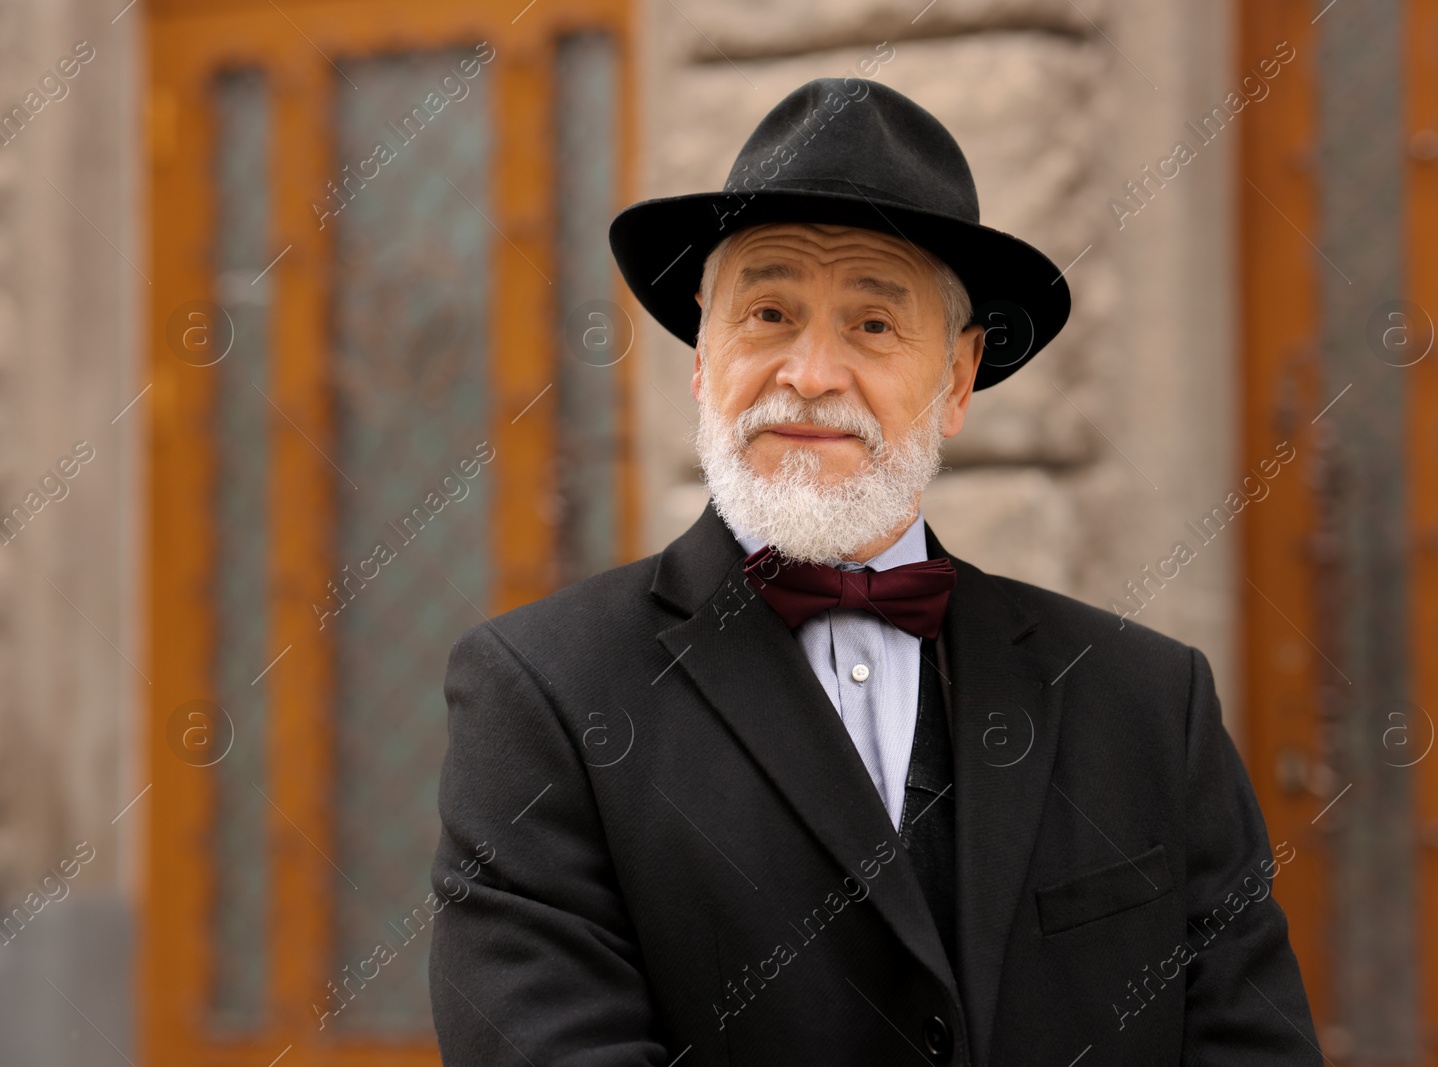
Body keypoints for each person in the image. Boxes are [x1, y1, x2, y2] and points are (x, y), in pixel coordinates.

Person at [428, 76, 1322, 1066]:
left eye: (872, 323)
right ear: (699, 355)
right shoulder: (539, 693)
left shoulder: (1151, 701)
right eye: (767, 311)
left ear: (955, 378)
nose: (809, 373)